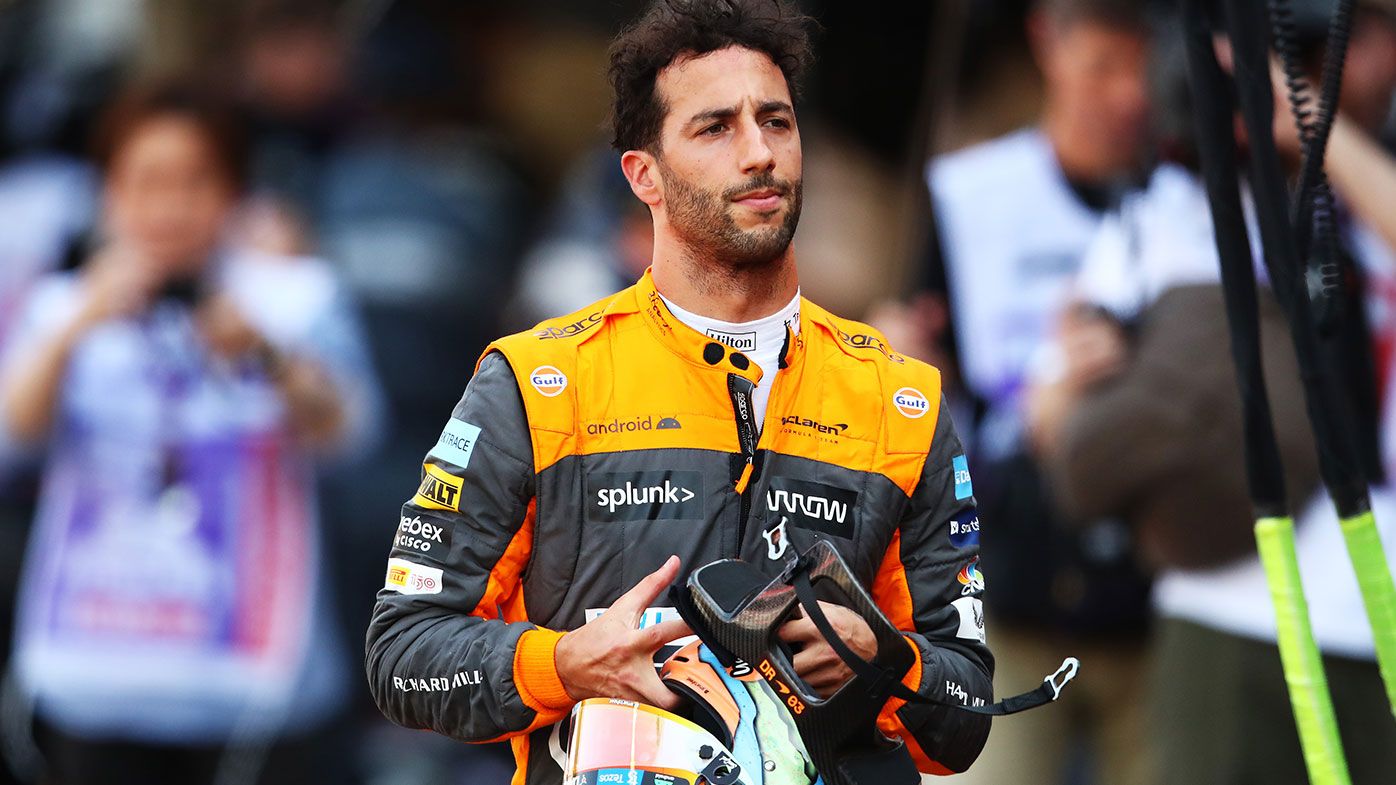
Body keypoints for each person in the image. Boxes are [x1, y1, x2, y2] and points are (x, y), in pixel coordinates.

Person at [364, 1, 994, 783]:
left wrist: (886, 658)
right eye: (715, 128)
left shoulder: (900, 400)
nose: (759, 153)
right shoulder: (537, 384)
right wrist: (563, 663)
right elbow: (403, 656)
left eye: (777, 121)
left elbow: (965, 718)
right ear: (645, 176)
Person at [1027, 8, 1396, 781]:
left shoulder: (1367, 198)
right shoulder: (1165, 214)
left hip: (1380, 615)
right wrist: (1076, 380)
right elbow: (1048, 416)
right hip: (1227, 613)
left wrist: (1311, 128)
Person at [0, 79, 382, 785]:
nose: (169, 208)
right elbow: (11, 438)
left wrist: (264, 353)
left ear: (234, 192)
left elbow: (351, 434)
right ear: (108, 192)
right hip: (94, 674)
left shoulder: (291, 297)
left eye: (194, 182)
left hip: (251, 686)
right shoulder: (61, 306)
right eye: (145, 182)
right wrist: (76, 328)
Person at [884, 1, 1155, 782]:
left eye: (1144, 66)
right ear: (1048, 41)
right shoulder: (968, 195)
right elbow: (922, 371)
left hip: (1163, 593)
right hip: (1004, 581)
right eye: (1104, 66)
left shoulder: (1191, 196)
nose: (1129, 94)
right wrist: (896, 362)